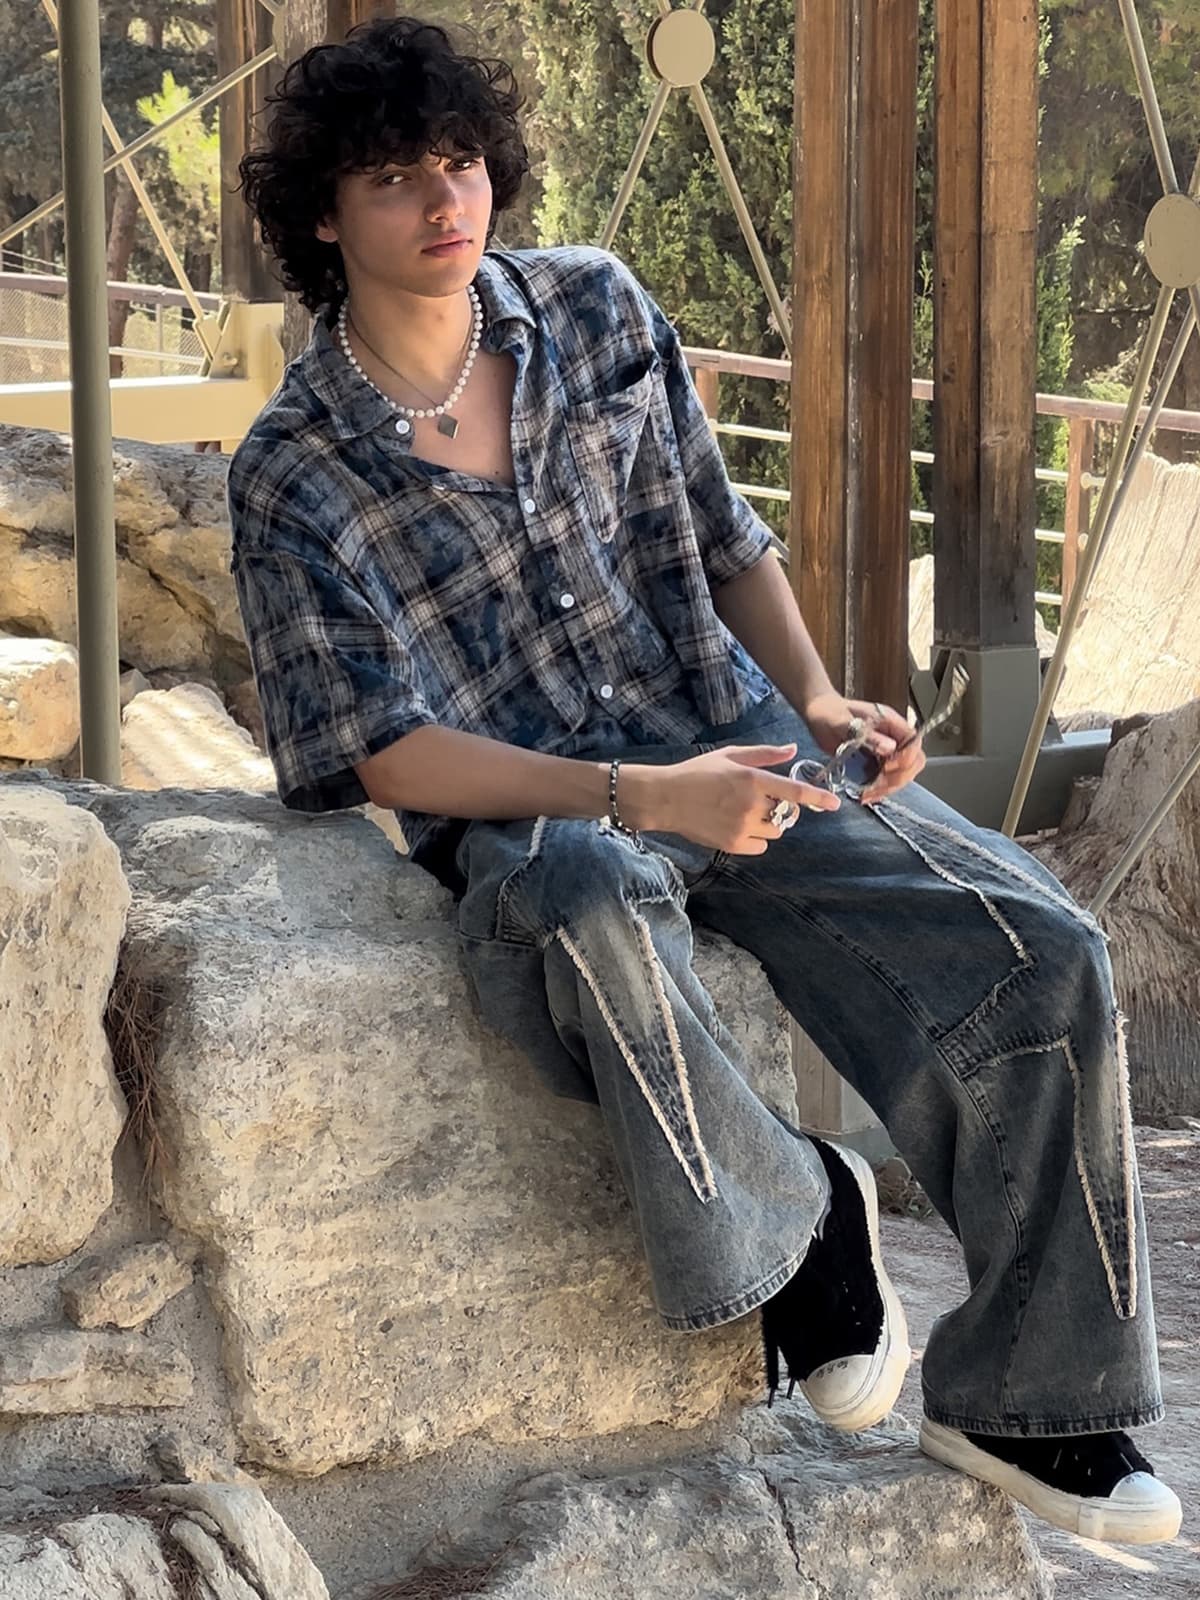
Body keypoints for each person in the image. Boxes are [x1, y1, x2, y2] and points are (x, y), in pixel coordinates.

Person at [228, 15, 1181, 1545]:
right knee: (589, 900)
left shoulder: (597, 308)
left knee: (1044, 944)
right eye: (395, 177)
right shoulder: (291, 466)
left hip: (733, 726)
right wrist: (642, 795)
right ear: (324, 216)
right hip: (532, 811)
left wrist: (819, 695)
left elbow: (725, 537)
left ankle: (1036, 1402)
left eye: (460, 162)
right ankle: (804, 1230)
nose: (444, 201)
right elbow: (371, 747)